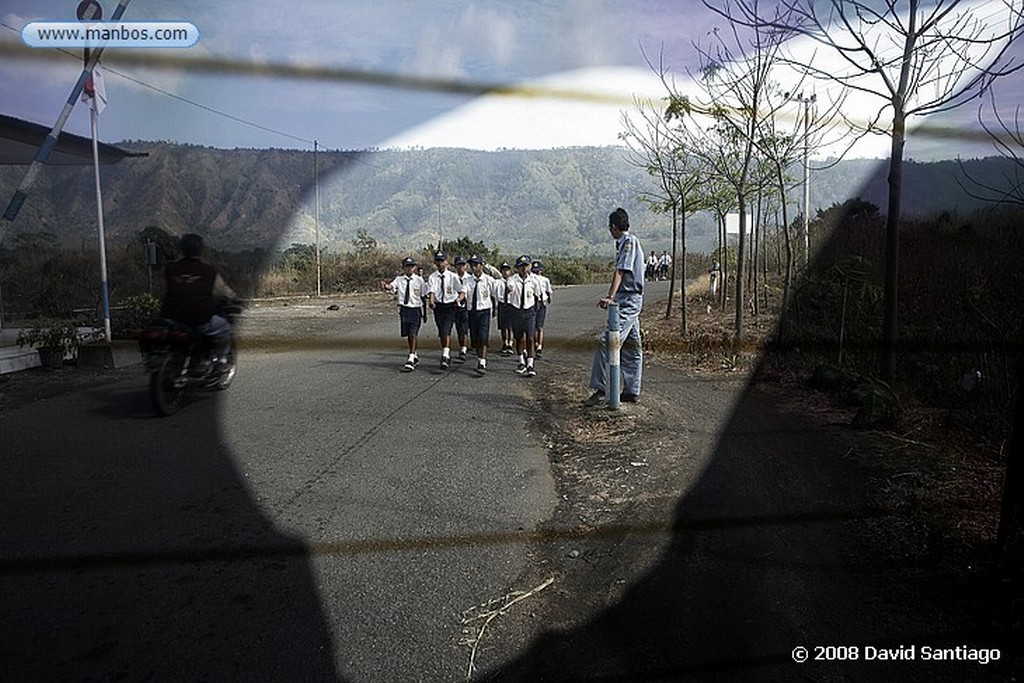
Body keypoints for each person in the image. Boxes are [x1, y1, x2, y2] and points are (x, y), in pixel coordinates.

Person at [584, 208, 644, 406]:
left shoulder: (628, 242)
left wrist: (610, 297)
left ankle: (600, 389)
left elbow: (621, 270)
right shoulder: (625, 243)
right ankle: (631, 390)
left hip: (629, 299)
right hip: (628, 298)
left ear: (613, 227)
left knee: (606, 341)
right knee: (632, 346)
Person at [160, 232, 237, 362]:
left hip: (171, 316)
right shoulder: (208, 270)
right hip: (199, 319)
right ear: (200, 250)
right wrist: (234, 298)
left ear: (182, 249)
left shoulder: (170, 268)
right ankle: (222, 359)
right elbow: (223, 291)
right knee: (225, 328)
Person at [381, 256, 426, 371]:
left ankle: (410, 357)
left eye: (411, 266)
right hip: (404, 309)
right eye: (407, 266)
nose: (409, 269)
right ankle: (414, 354)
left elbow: (423, 296)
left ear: (415, 268)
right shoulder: (399, 279)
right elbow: (392, 287)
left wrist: (424, 313)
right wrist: (386, 286)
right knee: (408, 334)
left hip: (415, 309)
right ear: (403, 268)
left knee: (413, 333)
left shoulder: (419, 281)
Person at [426, 250, 465, 369]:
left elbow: (461, 291)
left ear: (446, 262)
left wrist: (458, 299)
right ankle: (445, 349)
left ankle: (445, 355)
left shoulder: (453, 277)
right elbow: (431, 291)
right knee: (442, 330)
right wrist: (431, 302)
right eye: (437, 261)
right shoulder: (432, 277)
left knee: (446, 329)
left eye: (442, 261)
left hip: (450, 305)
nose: (440, 264)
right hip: (438, 307)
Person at [506, 254, 543, 377]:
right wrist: (509, 289)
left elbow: (537, 296)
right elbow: (509, 287)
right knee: (519, 337)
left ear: (530, 266)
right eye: (521, 266)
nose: (524, 268)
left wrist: (534, 310)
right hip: (516, 310)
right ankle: (521, 360)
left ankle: (530, 364)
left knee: (530, 337)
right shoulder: (513, 279)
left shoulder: (534, 280)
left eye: (526, 266)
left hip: (529, 311)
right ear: (517, 267)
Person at [463, 255, 498, 375]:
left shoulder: (488, 280)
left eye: (476, 265)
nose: (473, 267)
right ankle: (479, 356)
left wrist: (496, 308)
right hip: (472, 311)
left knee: (483, 336)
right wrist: (459, 299)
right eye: (472, 265)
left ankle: (482, 361)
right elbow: (464, 292)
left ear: (481, 266)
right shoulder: (467, 280)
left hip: (484, 311)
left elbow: (494, 294)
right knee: (475, 338)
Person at [531, 259, 552, 357]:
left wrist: (548, 299)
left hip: (542, 302)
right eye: (534, 271)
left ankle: (539, 345)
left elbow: (548, 291)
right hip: (533, 303)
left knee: (539, 326)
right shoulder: (530, 279)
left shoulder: (545, 280)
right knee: (534, 326)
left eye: (537, 271)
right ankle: (535, 343)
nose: (536, 273)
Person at [452, 255, 471, 362]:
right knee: (459, 328)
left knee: (466, 327)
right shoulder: (452, 277)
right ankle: (462, 346)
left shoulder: (470, 278)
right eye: (459, 265)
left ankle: (464, 348)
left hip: (467, 306)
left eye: (463, 265)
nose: (461, 267)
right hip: (455, 306)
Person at [495, 262, 516, 355]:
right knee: (503, 326)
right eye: (503, 270)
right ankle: (504, 343)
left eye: (507, 270)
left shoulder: (513, 281)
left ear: (510, 271)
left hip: (510, 304)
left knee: (510, 326)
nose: (505, 272)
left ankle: (510, 344)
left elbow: (512, 289)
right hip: (502, 304)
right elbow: (495, 294)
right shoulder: (498, 282)